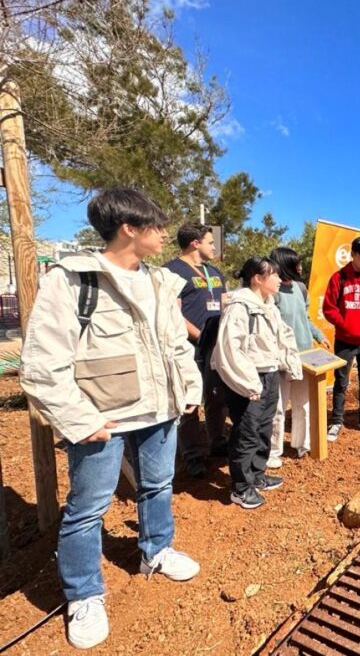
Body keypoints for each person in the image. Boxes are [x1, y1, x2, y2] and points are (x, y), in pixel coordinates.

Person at [19, 188, 203, 650]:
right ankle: (84, 593)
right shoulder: (73, 280)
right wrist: (81, 420)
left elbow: (175, 344)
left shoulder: (163, 283)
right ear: (129, 229)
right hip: (102, 418)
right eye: (156, 226)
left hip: (160, 411)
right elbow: (42, 365)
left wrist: (189, 388)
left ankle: (156, 550)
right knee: (88, 510)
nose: (164, 234)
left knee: (159, 486)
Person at [212, 256, 303, 509]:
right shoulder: (240, 307)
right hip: (250, 378)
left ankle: (257, 474)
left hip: (269, 373)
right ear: (257, 278)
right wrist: (250, 383)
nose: (278, 279)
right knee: (247, 431)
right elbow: (230, 349)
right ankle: (240, 488)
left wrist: (288, 364)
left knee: (265, 426)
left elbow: (282, 337)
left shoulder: (268, 305)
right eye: (272, 275)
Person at [163, 223, 229, 478]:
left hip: (215, 346)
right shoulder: (172, 272)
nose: (214, 246)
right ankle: (192, 454)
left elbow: (223, 303)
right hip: (187, 347)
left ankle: (217, 441)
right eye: (211, 242)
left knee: (216, 395)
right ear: (195, 243)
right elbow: (173, 312)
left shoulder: (214, 271)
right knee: (189, 400)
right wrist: (200, 336)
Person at [266, 247, 330, 468]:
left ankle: (302, 443)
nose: (301, 267)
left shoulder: (301, 288)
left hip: (305, 355)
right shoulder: (271, 291)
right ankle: (273, 452)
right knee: (279, 406)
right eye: (297, 263)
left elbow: (306, 317)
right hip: (282, 357)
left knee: (303, 403)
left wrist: (319, 336)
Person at [322, 236, 360, 441]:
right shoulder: (339, 278)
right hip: (344, 341)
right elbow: (329, 308)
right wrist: (345, 325)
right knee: (341, 381)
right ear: (353, 254)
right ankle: (337, 421)